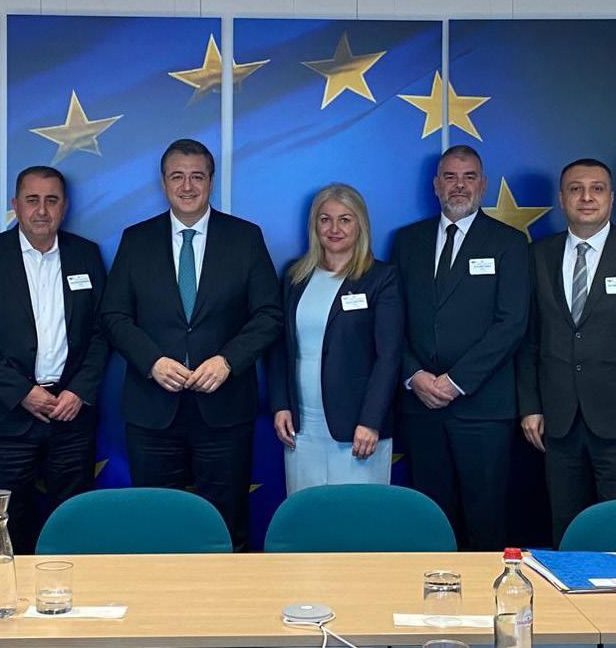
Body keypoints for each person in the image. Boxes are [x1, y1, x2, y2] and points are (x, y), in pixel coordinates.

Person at [101, 138, 282, 551]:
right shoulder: (136, 240)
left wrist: (227, 361)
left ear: (211, 181)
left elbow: (269, 315)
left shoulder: (245, 237)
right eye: (177, 177)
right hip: (152, 411)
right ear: (163, 182)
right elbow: (113, 316)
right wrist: (152, 361)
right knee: (155, 526)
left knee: (226, 525)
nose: (187, 186)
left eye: (197, 176)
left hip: (224, 409)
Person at [517, 158, 616, 546]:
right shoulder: (538, 255)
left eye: (597, 189)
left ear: (612, 198)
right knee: (566, 530)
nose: (586, 197)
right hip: (558, 423)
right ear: (561, 198)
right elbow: (528, 340)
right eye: (576, 189)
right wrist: (530, 406)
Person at [0, 166, 109, 553]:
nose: (41, 210)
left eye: (51, 200)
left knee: (72, 520)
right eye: (32, 200)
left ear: (64, 206)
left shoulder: (85, 254)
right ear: (16, 205)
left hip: (70, 413)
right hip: (8, 417)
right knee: (9, 524)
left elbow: (101, 331)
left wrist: (78, 391)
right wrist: (22, 393)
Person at [390, 145, 530, 550]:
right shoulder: (407, 241)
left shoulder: (509, 242)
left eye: (469, 177)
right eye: (450, 177)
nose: (459, 186)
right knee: (433, 521)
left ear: (483, 185)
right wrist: (414, 375)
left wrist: (455, 382)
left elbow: (512, 323)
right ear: (436, 185)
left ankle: (487, 592)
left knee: (485, 519)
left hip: (482, 408)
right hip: (422, 406)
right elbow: (391, 320)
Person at [269, 184, 403, 494]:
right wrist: (281, 405)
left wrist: (371, 421)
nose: (334, 229)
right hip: (301, 427)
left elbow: (389, 356)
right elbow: (278, 348)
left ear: (360, 225)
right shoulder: (295, 276)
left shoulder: (382, 278)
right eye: (325, 219)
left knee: (357, 517)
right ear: (314, 225)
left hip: (358, 429)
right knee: (307, 514)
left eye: (345, 219)